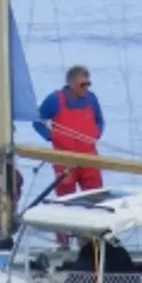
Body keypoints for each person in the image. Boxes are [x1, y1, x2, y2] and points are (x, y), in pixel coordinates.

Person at [35, 65, 105, 198]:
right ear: (71, 83)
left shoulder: (91, 99)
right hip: (64, 159)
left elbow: (100, 120)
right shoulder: (54, 100)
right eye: (82, 84)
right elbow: (37, 121)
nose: (86, 87)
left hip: (89, 158)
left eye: (88, 84)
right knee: (65, 200)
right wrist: (50, 136)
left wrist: (96, 134)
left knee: (96, 197)